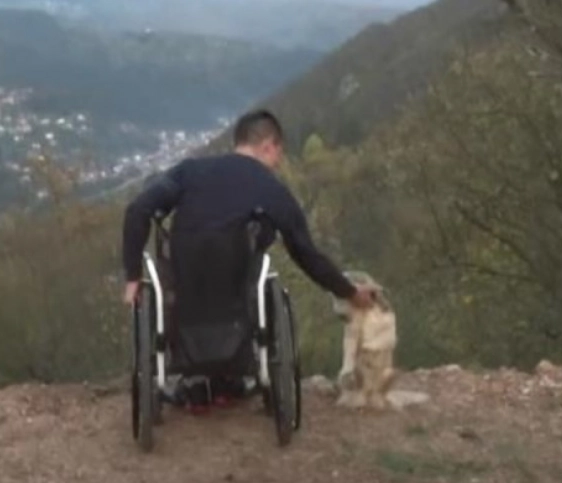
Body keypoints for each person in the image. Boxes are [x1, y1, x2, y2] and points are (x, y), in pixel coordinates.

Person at [119, 109, 375, 410]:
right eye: (278, 154)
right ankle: (236, 375)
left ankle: (194, 380)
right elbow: (305, 253)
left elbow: (137, 211)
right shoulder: (269, 187)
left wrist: (133, 276)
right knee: (256, 264)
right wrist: (348, 291)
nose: (278, 163)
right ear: (268, 146)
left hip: (185, 292)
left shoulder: (189, 171)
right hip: (238, 299)